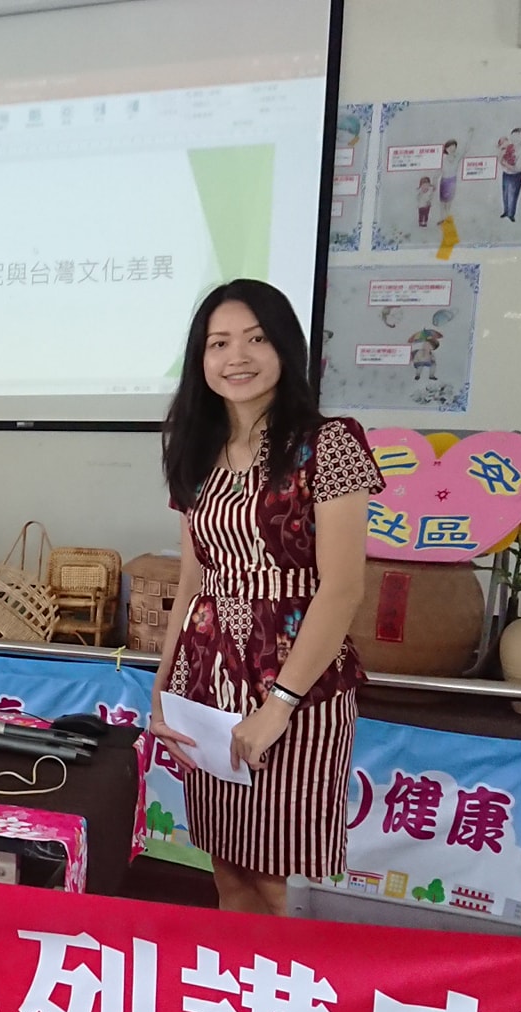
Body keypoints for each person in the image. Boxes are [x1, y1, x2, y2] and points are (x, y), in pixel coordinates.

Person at [147, 280, 384, 916]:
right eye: (219, 343)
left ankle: (294, 1010)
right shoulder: (196, 449)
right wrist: (163, 685)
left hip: (299, 686)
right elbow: (195, 579)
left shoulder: (329, 442)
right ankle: (240, 1005)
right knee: (228, 872)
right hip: (211, 685)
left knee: (286, 883)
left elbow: (342, 589)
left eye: (256, 338)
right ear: (201, 358)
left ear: (285, 348)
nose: (237, 356)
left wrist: (279, 705)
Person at [497, 128, 521, 221]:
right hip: (506, 173)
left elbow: (517, 168)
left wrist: (504, 163)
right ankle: (506, 211)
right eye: (513, 136)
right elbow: (500, 155)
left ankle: (511, 214)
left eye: (517, 136)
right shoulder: (509, 147)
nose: (514, 138)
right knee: (505, 194)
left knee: (512, 196)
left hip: (515, 175)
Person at [438, 140, 459, 220]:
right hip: (444, 180)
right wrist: (434, 181)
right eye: (450, 147)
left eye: (454, 147)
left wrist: (470, 134)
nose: (452, 149)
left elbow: (465, 149)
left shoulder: (456, 157)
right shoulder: (442, 158)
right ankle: (442, 218)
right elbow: (438, 170)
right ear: (446, 148)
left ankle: (447, 217)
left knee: (449, 201)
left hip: (452, 180)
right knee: (443, 202)